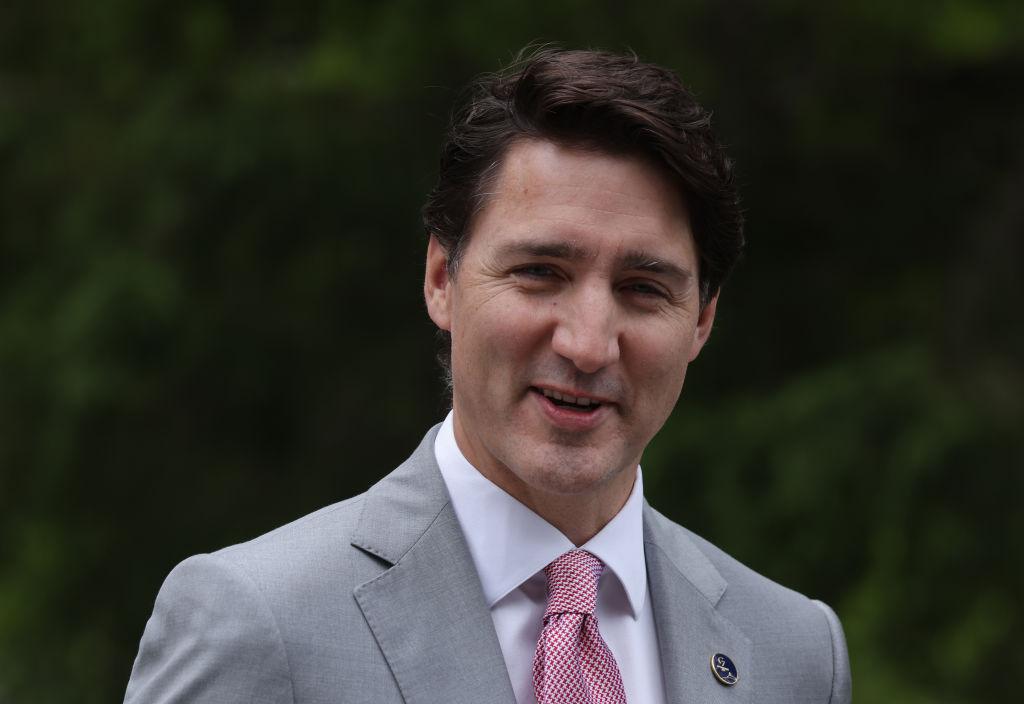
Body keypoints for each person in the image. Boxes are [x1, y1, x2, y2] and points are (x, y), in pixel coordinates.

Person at [125, 46, 851, 704]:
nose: (588, 345)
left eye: (643, 288)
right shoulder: (260, 620)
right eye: (540, 272)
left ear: (702, 320)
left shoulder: (796, 655)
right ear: (442, 279)